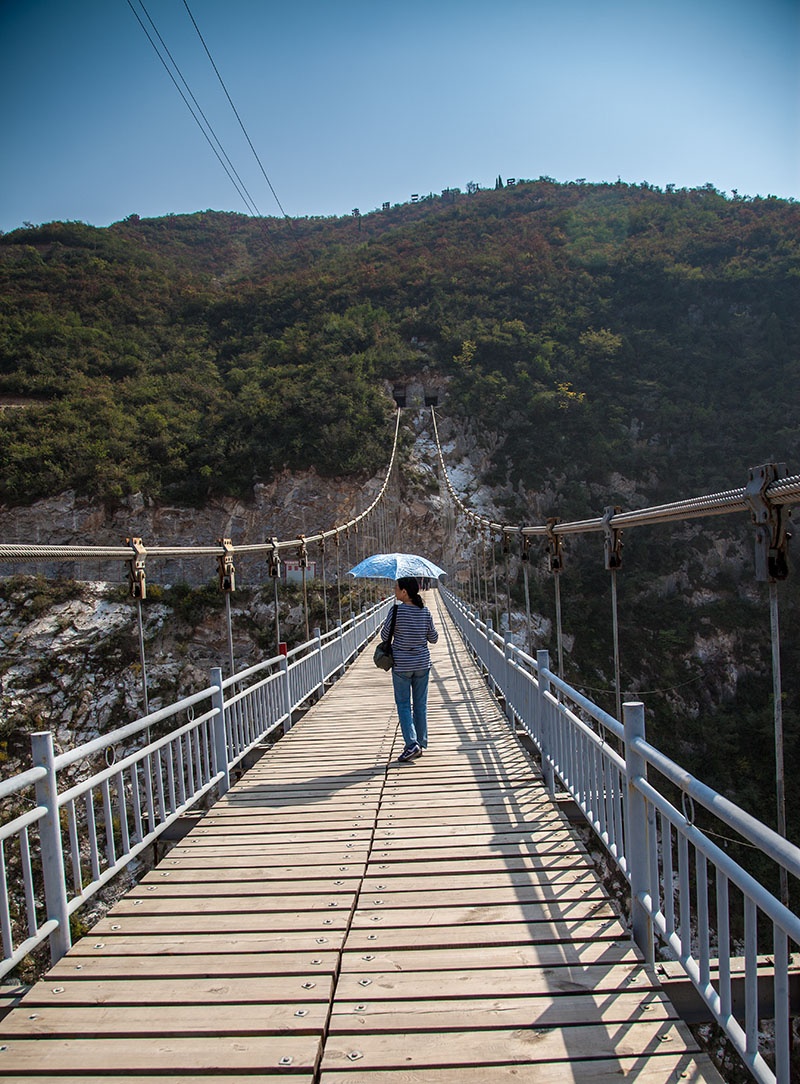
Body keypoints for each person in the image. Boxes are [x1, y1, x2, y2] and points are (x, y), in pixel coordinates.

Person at [381, 576, 439, 762]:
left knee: (404, 705)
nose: (394, 591)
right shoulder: (425, 612)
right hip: (422, 664)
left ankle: (411, 744)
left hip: (402, 665)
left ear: (404, 592)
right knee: (420, 705)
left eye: (396, 588)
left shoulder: (396, 611)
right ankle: (420, 742)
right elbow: (434, 638)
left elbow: (384, 636)